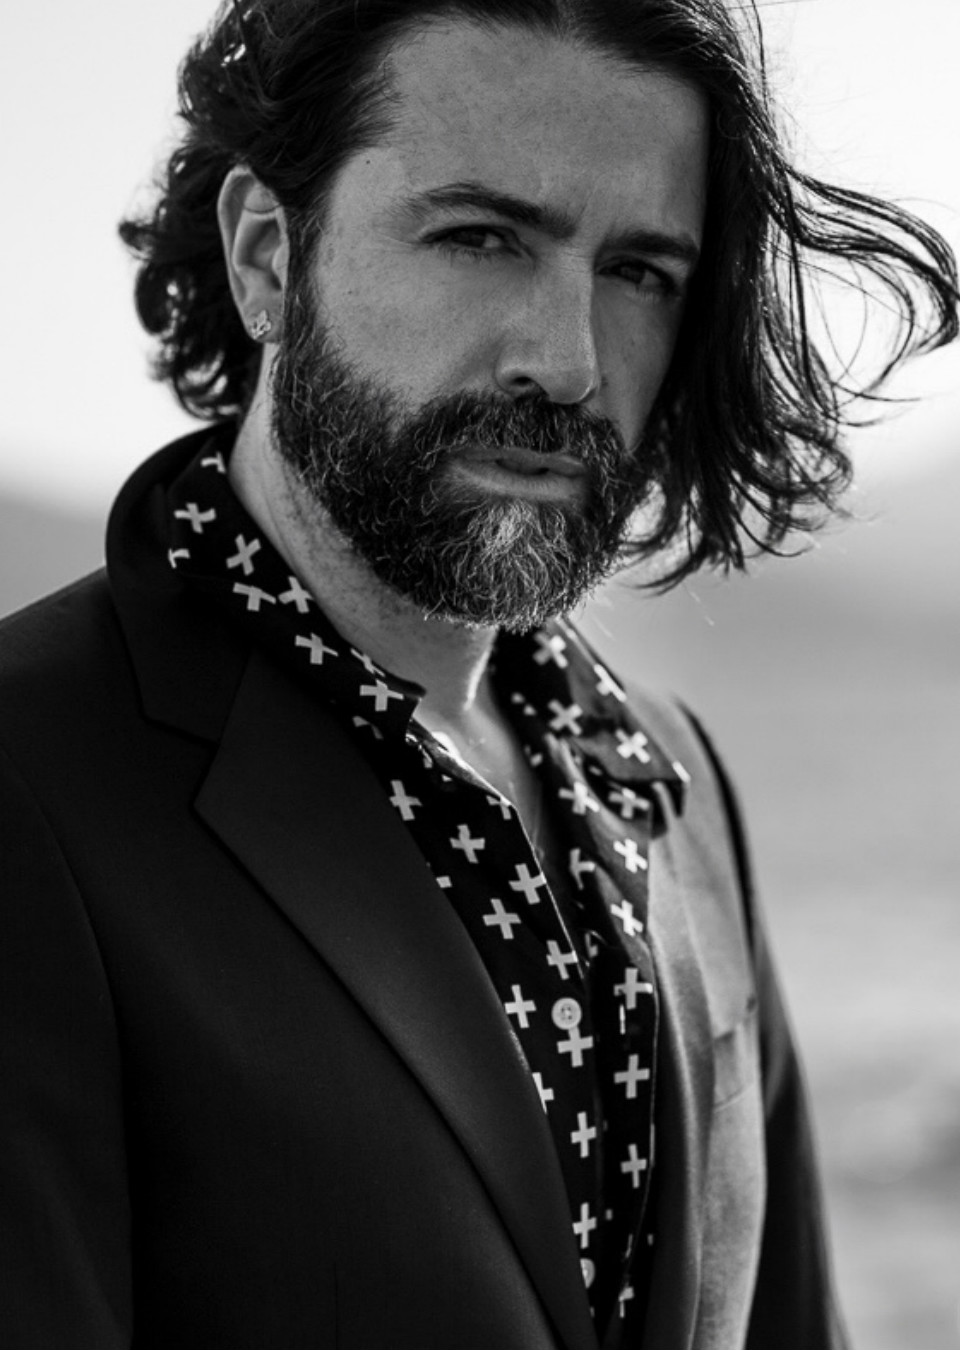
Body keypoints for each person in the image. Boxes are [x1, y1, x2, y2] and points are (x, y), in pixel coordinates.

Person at [0, 1, 955, 1347]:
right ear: (268, 253)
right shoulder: (29, 782)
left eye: (639, 271)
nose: (568, 362)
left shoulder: (672, 777)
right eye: (479, 239)